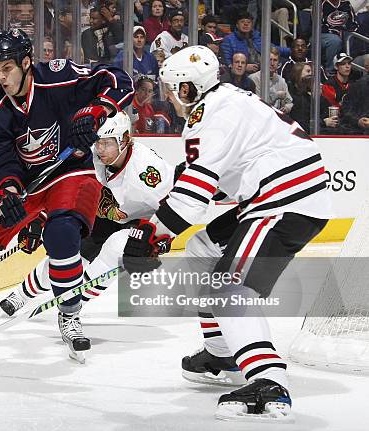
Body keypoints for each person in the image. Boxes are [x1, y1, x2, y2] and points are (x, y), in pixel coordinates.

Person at [122, 45, 333, 422]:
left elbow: (198, 191)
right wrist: (157, 227)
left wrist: (153, 231)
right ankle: (221, 351)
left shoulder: (217, 112)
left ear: (188, 88)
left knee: (228, 286)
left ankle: (267, 379)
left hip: (282, 200)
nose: (170, 97)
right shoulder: (223, 104)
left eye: (173, 89)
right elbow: (209, 187)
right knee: (203, 249)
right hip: (271, 194)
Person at [0, 29, 133, 360]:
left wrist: (94, 112)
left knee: (61, 234)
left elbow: (117, 80)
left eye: (8, 69)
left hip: (69, 172)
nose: (1, 77)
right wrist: (8, 192)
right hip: (25, 184)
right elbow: (1, 161)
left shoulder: (58, 78)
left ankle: (70, 316)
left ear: (27, 63)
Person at [0, 111, 176, 315]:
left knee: (116, 247)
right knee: (70, 253)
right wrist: (39, 220)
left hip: (141, 222)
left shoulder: (147, 171)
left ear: (125, 139)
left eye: (107, 143)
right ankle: (21, 295)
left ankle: (74, 301)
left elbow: (179, 202)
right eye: (98, 141)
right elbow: (61, 187)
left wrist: (162, 237)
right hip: (109, 214)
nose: (100, 149)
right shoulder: (91, 154)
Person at [249, 47, 293, 113]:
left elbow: (289, 102)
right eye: (269, 60)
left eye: (275, 60)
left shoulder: (281, 80)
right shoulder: (254, 78)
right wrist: (276, 95)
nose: (272, 63)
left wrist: (286, 108)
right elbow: (260, 104)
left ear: (279, 64)